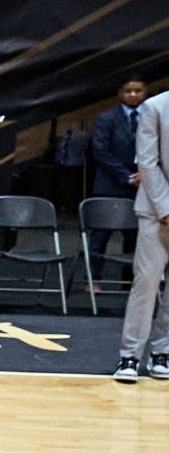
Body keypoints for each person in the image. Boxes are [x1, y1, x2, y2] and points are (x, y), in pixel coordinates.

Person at [116, 86, 169, 382]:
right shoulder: (156, 106)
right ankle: (130, 356)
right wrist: (166, 209)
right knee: (146, 283)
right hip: (157, 211)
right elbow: (147, 162)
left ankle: (163, 351)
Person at [88, 78, 147, 273]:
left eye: (137, 90)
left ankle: (128, 281)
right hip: (111, 185)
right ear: (120, 93)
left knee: (134, 236)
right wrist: (129, 176)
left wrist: (145, 174)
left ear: (145, 92)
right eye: (128, 91)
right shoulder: (106, 118)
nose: (133, 95)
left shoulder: (151, 116)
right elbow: (101, 152)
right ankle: (94, 278)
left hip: (142, 186)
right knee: (100, 235)